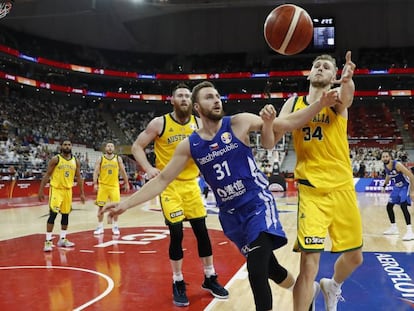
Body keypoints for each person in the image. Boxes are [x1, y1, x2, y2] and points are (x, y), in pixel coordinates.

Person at [102, 81, 339, 310]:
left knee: (256, 271)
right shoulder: (189, 145)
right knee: (271, 269)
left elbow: (285, 125)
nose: (216, 100)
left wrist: (317, 105)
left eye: (217, 96)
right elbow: (162, 180)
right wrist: (125, 204)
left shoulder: (239, 122)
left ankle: (300, 299)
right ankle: (308, 290)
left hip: (257, 204)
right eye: (209, 97)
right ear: (197, 107)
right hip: (232, 216)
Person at [278, 51, 363, 311]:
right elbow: (281, 127)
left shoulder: (336, 99)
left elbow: (347, 97)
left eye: (326, 67)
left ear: (333, 76)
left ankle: (332, 285)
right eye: (316, 65)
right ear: (309, 73)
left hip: (341, 188)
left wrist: (348, 81)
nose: (320, 68)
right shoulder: (293, 103)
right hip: (311, 190)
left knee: (355, 258)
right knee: (308, 264)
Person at [130, 83, 228, 307]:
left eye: (187, 96)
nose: (184, 98)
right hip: (169, 186)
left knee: (202, 233)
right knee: (176, 234)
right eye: (180, 96)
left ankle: (210, 277)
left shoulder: (198, 123)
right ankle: (178, 281)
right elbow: (137, 146)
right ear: (172, 100)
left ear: (191, 103)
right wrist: (148, 169)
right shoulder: (160, 123)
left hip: (192, 185)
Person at [38, 140, 85, 252]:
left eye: (69, 144)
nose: (67, 146)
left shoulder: (75, 161)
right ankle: (48, 241)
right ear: (61, 147)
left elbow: (78, 177)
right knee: (53, 214)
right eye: (65, 144)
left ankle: (62, 239)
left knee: (65, 216)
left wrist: (82, 193)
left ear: (71, 147)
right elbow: (47, 174)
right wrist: (41, 190)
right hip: (56, 190)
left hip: (68, 191)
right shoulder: (56, 159)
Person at [93, 141, 130, 236]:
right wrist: (95, 183)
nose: (110, 148)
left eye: (111, 146)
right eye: (108, 146)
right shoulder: (100, 158)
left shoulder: (118, 159)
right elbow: (96, 171)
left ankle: (115, 226)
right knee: (101, 207)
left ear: (114, 149)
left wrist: (126, 182)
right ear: (105, 148)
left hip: (114, 186)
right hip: (103, 186)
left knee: (116, 207)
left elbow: (123, 171)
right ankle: (100, 227)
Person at [381, 150, 414, 240]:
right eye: (383, 157)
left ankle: (410, 232)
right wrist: (384, 185)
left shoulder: (397, 165)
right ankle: (394, 228)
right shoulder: (385, 165)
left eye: (386, 156)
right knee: (389, 206)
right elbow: (388, 175)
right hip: (397, 187)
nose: (385, 158)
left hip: (405, 185)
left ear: (390, 157)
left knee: (403, 206)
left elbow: (411, 176)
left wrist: (412, 192)